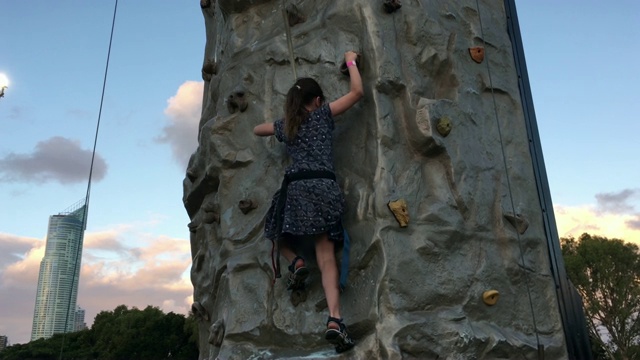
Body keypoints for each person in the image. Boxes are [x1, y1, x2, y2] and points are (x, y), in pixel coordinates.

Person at [253, 51, 363, 353]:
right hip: (325, 188)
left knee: (278, 235)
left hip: (298, 189)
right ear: (317, 101)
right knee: (326, 256)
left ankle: (296, 262)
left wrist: (283, 123)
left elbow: (257, 129)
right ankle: (334, 318)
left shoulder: (288, 127)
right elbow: (357, 92)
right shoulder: (324, 115)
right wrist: (351, 61)